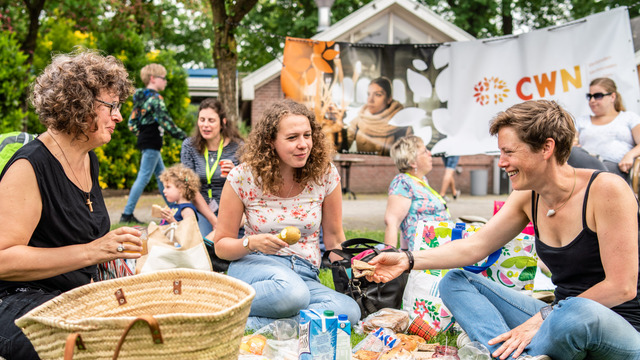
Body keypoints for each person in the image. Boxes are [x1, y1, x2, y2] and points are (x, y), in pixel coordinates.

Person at [367, 100, 640, 360]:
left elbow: (622, 287)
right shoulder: (528, 196)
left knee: (577, 312)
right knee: (456, 281)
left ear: (546, 147)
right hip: (555, 320)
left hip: (616, 326)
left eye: (509, 152)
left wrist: (546, 315)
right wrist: (407, 259)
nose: (501, 162)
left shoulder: (607, 190)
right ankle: (515, 355)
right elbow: (475, 247)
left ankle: (513, 351)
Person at [0, 50, 144, 359]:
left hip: (72, 295)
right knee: (93, 345)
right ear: (79, 104)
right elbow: (3, 259)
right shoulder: (30, 166)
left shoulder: (86, 158)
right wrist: (96, 251)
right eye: (112, 106)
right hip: (18, 302)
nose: (118, 116)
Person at [213, 99, 361, 331]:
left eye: (307, 135)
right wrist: (251, 242)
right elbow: (221, 245)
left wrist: (355, 268)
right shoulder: (242, 177)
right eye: (292, 138)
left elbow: (333, 238)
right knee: (292, 293)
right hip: (256, 268)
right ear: (270, 142)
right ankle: (227, 301)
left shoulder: (325, 174)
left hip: (304, 274)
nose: (303, 144)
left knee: (348, 311)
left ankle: (246, 322)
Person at [120, 63, 187, 224]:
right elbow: (166, 122)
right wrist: (184, 137)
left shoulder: (140, 98)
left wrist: (142, 133)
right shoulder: (156, 99)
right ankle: (127, 214)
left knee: (161, 177)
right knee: (143, 177)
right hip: (152, 142)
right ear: (153, 79)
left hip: (147, 141)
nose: (165, 82)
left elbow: (131, 122)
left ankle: (173, 208)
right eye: (163, 78)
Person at [180, 98, 242, 237]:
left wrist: (235, 174)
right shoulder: (189, 146)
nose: (205, 125)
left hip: (232, 211)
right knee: (203, 244)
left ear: (223, 122)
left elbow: (249, 186)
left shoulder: (238, 147)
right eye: (202, 119)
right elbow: (190, 187)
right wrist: (214, 220)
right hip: (202, 211)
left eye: (211, 120)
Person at [384, 136, 450, 250]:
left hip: (439, 250)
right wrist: (390, 257)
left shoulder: (422, 180)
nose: (430, 153)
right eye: (424, 151)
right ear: (412, 162)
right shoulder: (403, 182)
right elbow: (392, 223)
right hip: (423, 256)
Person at [568, 77, 640, 179]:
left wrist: (630, 155)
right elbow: (572, 142)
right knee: (573, 152)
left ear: (612, 97)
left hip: (616, 168)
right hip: (586, 166)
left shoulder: (629, 117)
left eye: (598, 96)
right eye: (590, 96)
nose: (592, 100)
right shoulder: (581, 121)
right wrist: (572, 144)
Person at [346, 77, 411, 156]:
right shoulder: (358, 122)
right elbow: (339, 149)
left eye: (378, 95)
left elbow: (408, 158)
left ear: (389, 99)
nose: (370, 100)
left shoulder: (401, 125)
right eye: (368, 94)